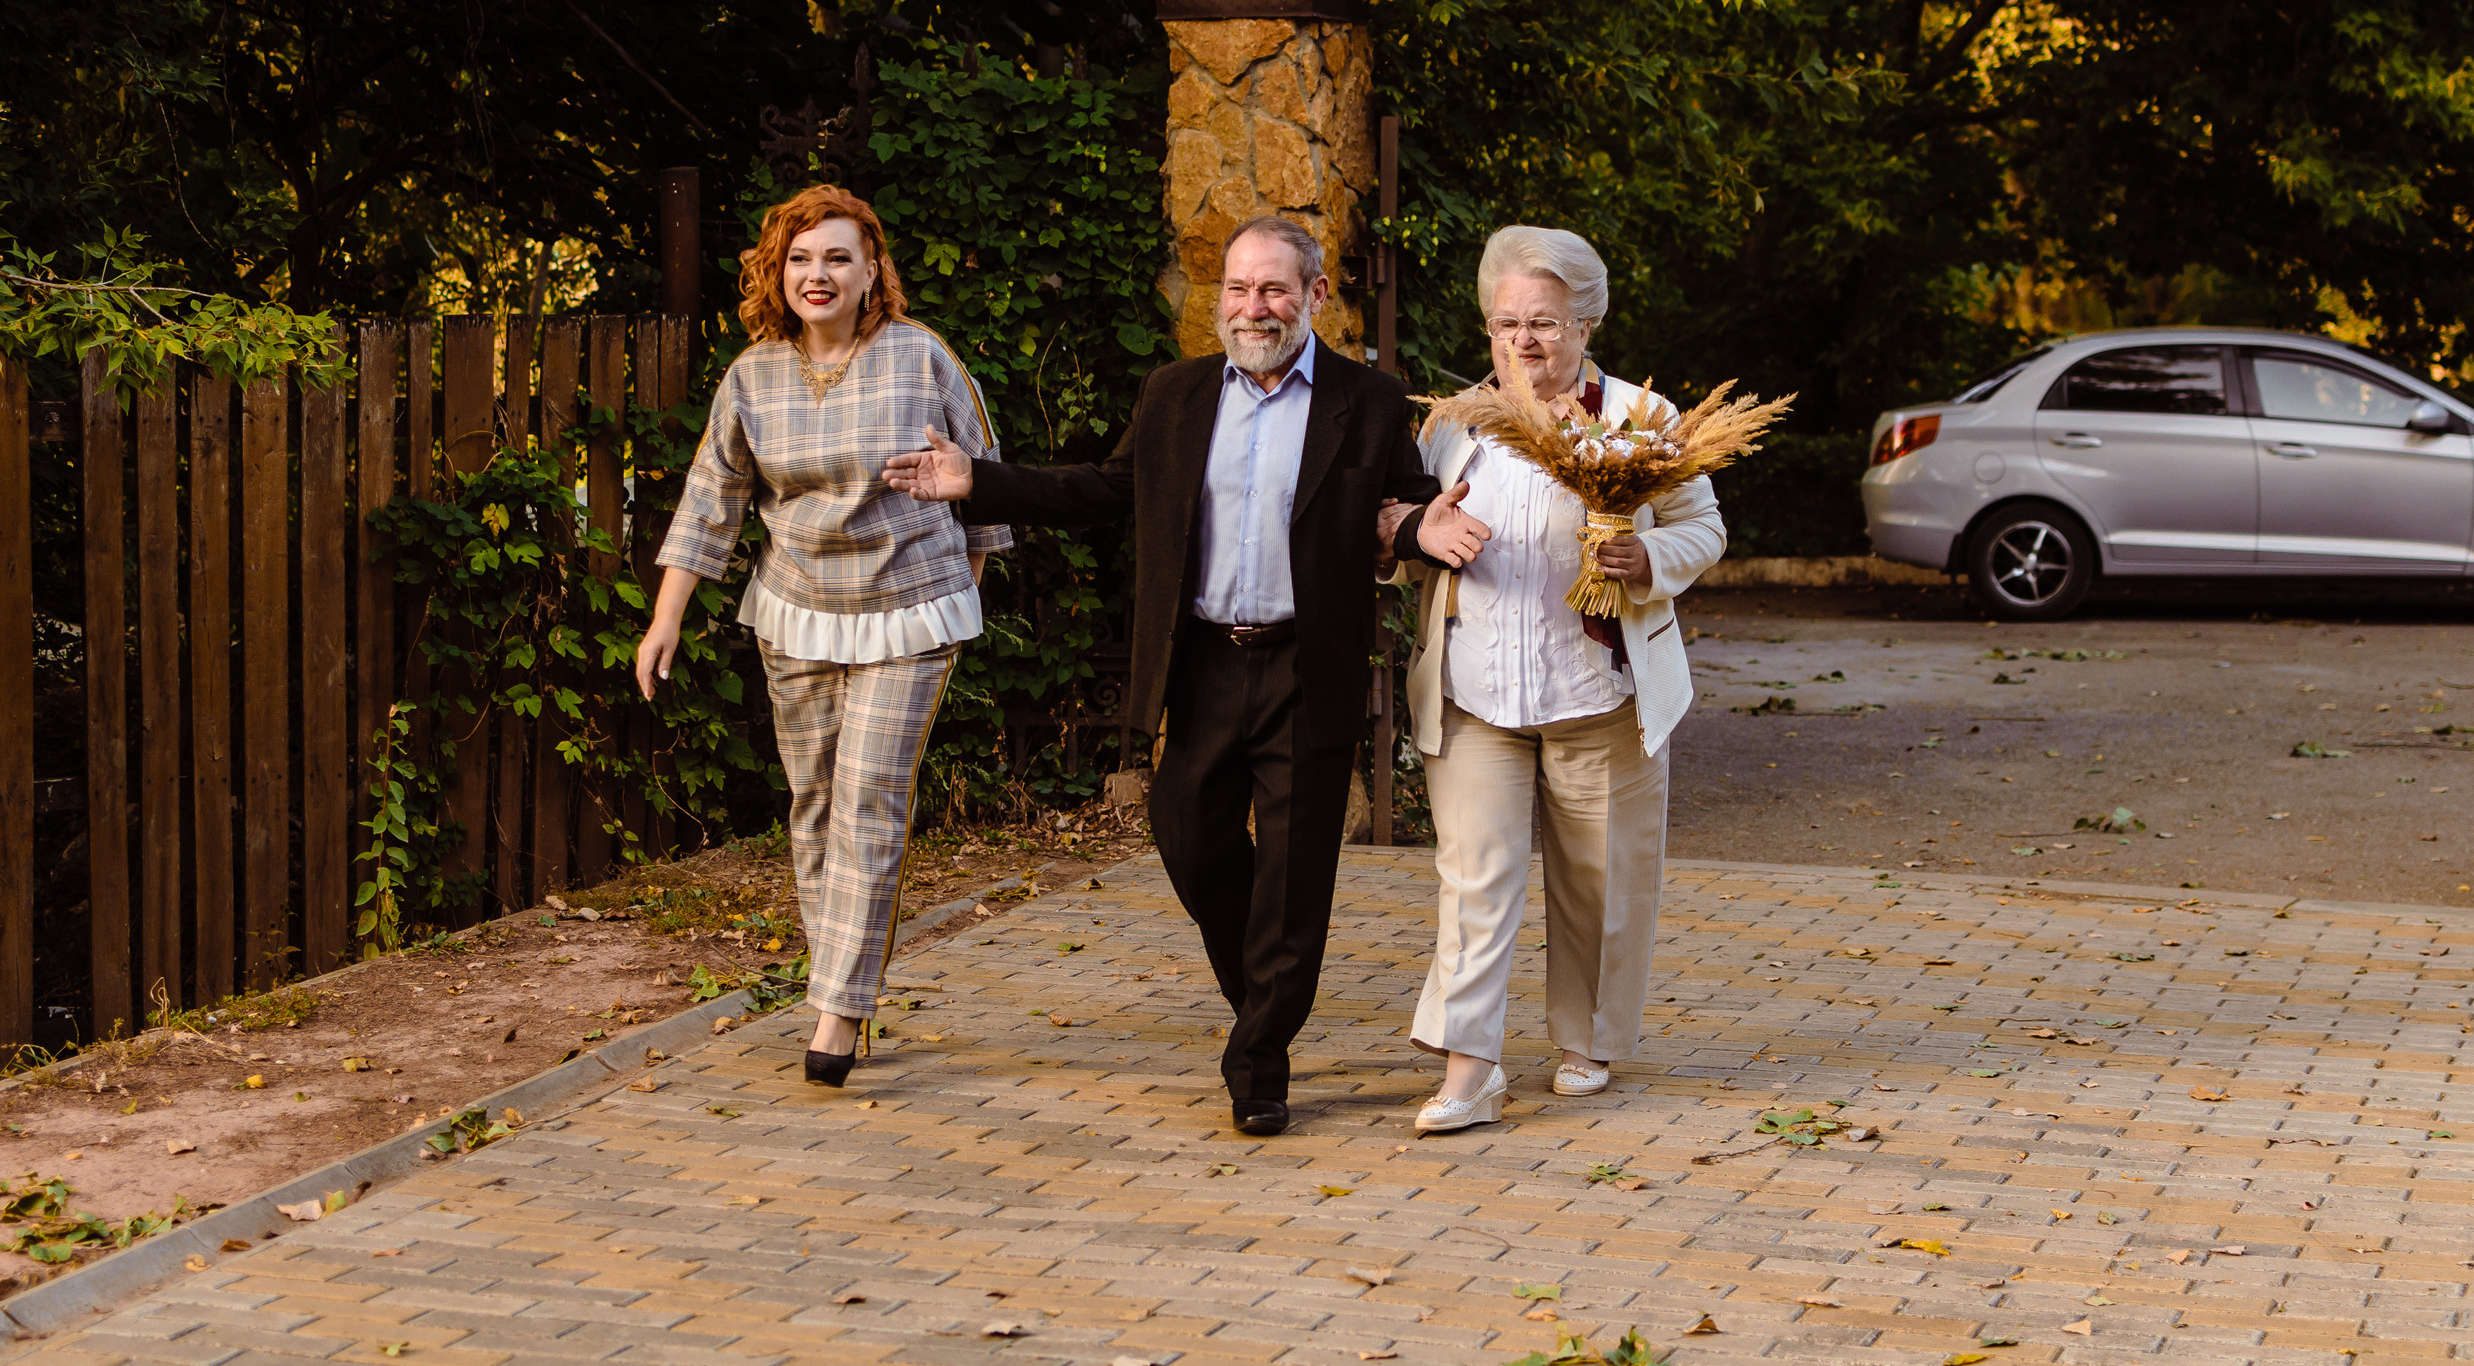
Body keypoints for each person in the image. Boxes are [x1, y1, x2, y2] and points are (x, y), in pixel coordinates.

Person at [882, 214, 1487, 1136]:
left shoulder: (1368, 400)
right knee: (1188, 837)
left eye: (1276, 288)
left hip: (1306, 664)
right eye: (1240, 289)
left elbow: (1398, 510)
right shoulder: (1174, 394)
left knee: (1294, 879)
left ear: (1316, 296)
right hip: (1202, 661)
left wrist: (1420, 533)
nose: (1256, 306)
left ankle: (1260, 1060)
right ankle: (1266, 996)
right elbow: (1107, 490)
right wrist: (982, 482)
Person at [636, 184, 1009, 1090]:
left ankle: (839, 1010)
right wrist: (667, 617)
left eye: (838, 257)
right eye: (802, 258)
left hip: (908, 608)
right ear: (779, 271)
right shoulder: (752, 377)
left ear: (871, 270)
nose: (819, 274)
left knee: (869, 798)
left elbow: (987, 483)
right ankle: (840, 976)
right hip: (795, 608)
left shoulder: (922, 358)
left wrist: (965, 585)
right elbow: (711, 499)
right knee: (814, 806)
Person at [1382, 225, 1726, 1133]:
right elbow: (1390, 515)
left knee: (1600, 881)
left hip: (1598, 693)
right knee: (1475, 878)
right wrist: (1420, 530)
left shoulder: (1642, 419)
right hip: (1476, 691)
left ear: (1586, 324)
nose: (1522, 342)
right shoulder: (1453, 424)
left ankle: (1588, 1040)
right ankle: (1469, 1070)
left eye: (1543, 322)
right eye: (1505, 324)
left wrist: (1643, 553)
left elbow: (1705, 528)